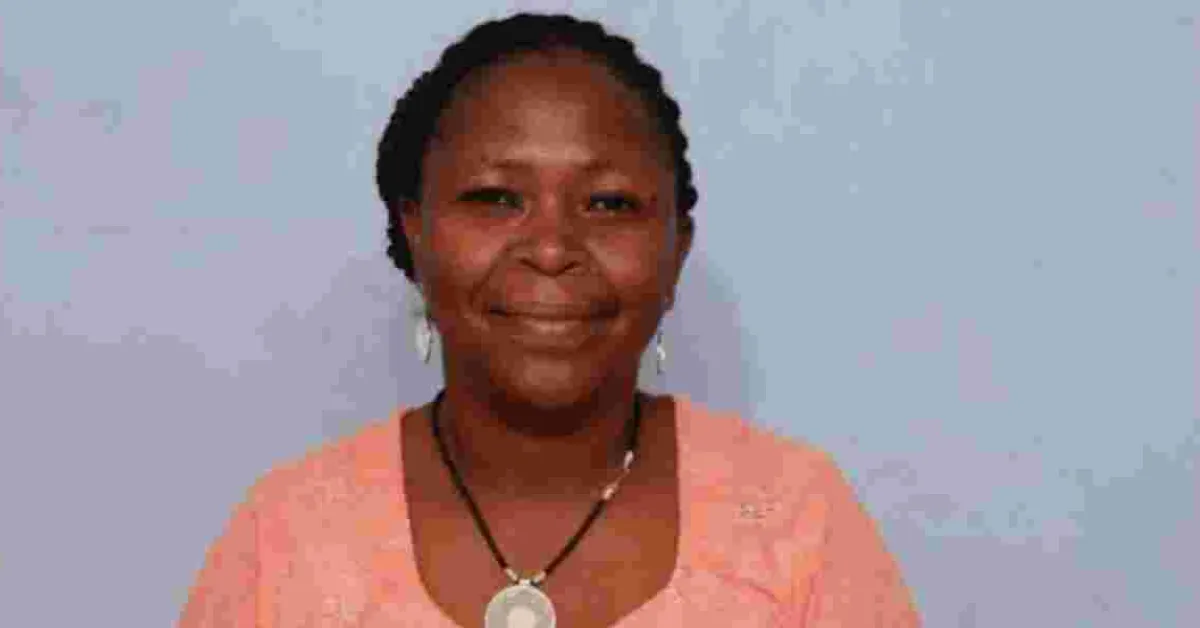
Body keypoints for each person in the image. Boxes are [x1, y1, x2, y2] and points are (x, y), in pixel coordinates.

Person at [179, 12, 920, 628]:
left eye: (609, 203)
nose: (552, 249)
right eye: (496, 198)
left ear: (677, 250)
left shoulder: (797, 521)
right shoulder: (289, 538)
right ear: (415, 229)